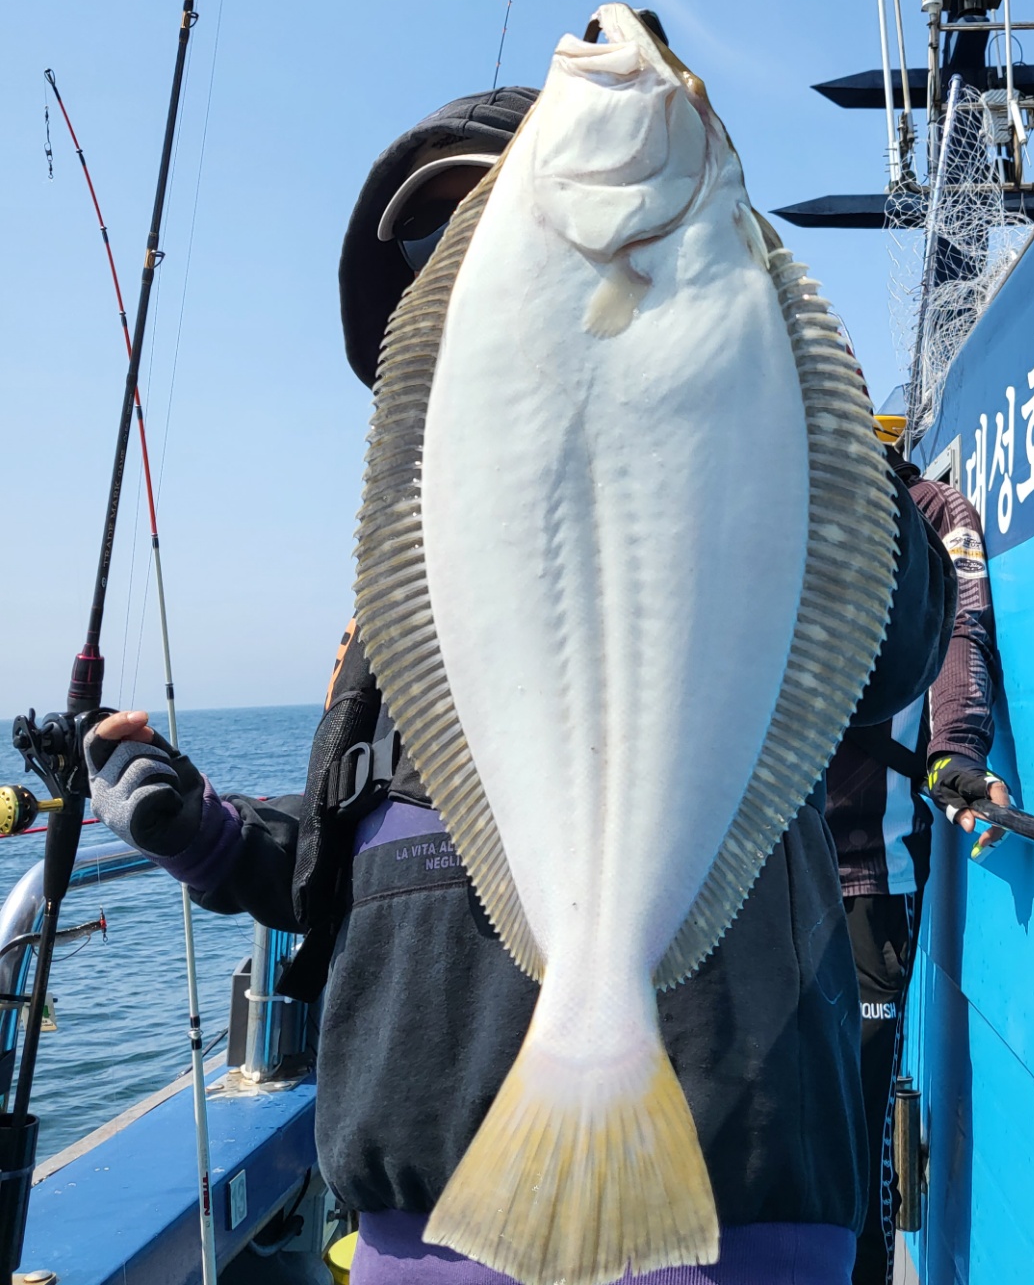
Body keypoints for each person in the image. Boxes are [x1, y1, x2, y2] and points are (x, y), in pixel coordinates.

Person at [84, 66, 962, 1285]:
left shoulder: (750, 465)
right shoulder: (397, 611)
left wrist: (778, 384)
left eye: (478, 229)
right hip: (425, 1222)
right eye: (423, 255)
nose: (449, 272)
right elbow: (368, 860)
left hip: (723, 1214)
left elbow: (898, 640)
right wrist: (207, 834)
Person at [824, 391, 1009, 1285]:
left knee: (855, 1140)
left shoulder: (934, 512)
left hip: (872, 879)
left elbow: (960, 631)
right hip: (759, 876)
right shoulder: (769, 496)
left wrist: (957, 754)